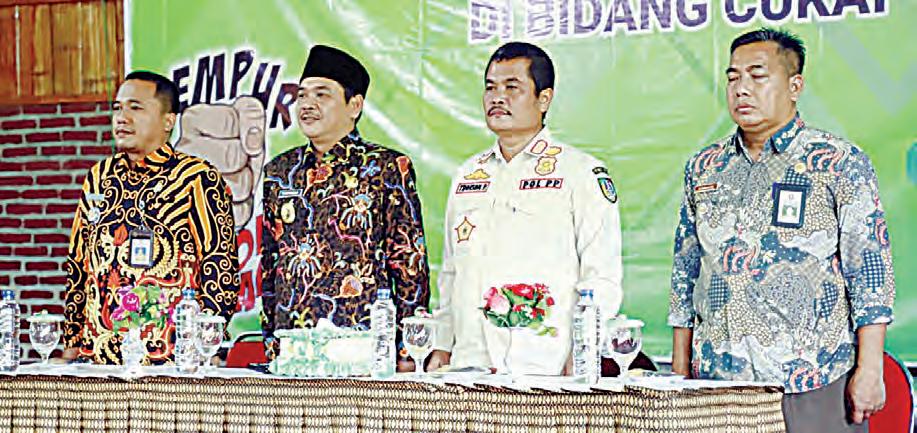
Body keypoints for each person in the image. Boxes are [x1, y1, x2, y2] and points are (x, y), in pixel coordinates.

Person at [668, 28, 895, 433]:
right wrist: (680, 368)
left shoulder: (838, 162)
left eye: (758, 76)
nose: (742, 89)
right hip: (717, 383)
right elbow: (685, 272)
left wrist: (870, 369)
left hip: (812, 380)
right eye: (734, 77)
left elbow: (871, 274)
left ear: (794, 86)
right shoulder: (704, 168)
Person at [428, 42, 622, 375]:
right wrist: (442, 346)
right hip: (470, 361)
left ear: (544, 99)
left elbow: (601, 275)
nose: (497, 98)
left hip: (544, 362)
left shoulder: (579, 172)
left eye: (511, 87)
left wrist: (583, 353)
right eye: (490, 88)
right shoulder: (468, 174)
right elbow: (451, 272)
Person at [260, 45, 430, 369]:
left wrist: (407, 351)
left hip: (364, 349)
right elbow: (270, 262)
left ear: (355, 105)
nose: (307, 105)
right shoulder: (279, 172)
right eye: (302, 95)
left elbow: (410, 264)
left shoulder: (386, 168)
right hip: (293, 347)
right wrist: (271, 340)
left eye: (322, 95)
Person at [63, 71, 239, 364]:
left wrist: (209, 348)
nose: (122, 118)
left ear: (168, 121)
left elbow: (220, 268)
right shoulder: (98, 178)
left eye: (135, 108)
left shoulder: (196, 178)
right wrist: (71, 343)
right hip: (98, 359)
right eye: (118, 108)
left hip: (172, 359)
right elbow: (78, 265)